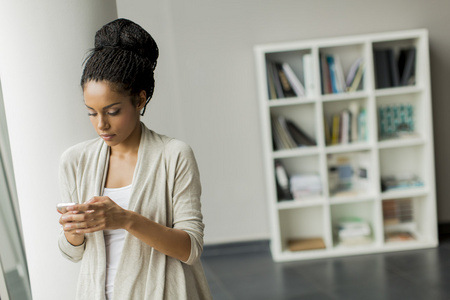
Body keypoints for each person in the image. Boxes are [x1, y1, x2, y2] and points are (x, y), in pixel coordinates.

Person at [58, 18, 212, 300]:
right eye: (92, 112)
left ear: (140, 100)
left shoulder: (174, 155)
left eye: (113, 111)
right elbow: (73, 253)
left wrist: (126, 220)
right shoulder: (75, 160)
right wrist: (74, 232)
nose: (101, 124)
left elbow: (190, 249)